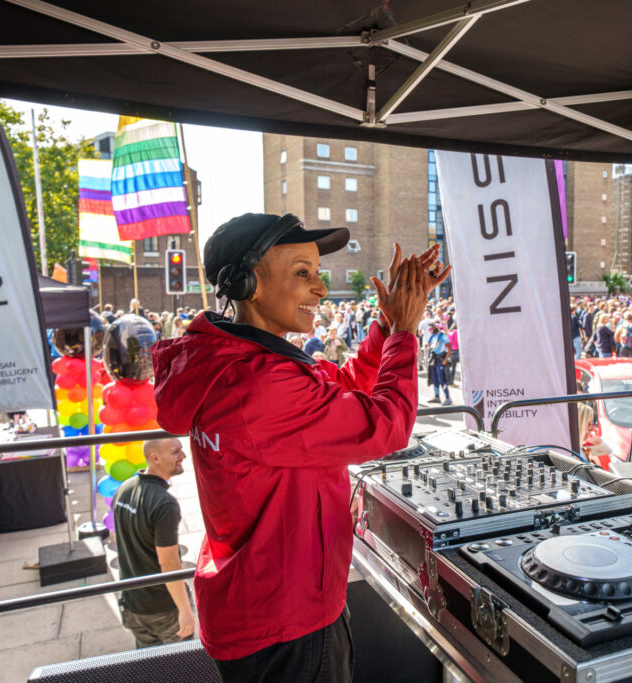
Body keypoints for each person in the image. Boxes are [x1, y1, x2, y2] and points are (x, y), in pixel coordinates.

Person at [151, 212, 449, 681]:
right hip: (286, 620)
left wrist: (387, 325)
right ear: (248, 282)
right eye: (302, 273)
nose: (321, 289)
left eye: (317, 273)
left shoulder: (238, 363)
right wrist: (406, 333)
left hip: (263, 607)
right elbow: (386, 424)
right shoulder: (258, 383)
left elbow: (342, 389)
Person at [113, 438, 195, 648]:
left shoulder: (125, 489)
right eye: (176, 452)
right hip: (162, 610)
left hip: (132, 604)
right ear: (155, 458)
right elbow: (168, 563)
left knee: (149, 668)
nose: (183, 456)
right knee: (180, 669)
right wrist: (185, 611)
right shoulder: (164, 503)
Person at [426, 322, 453, 405]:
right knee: (434, 378)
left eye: (432, 326)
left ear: (437, 327)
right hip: (433, 359)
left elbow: (449, 348)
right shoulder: (433, 336)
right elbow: (429, 345)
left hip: (440, 360)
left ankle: (448, 398)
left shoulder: (443, 336)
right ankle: (437, 397)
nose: (431, 328)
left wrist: (445, 360)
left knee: (441, 379)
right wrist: (427, 345)